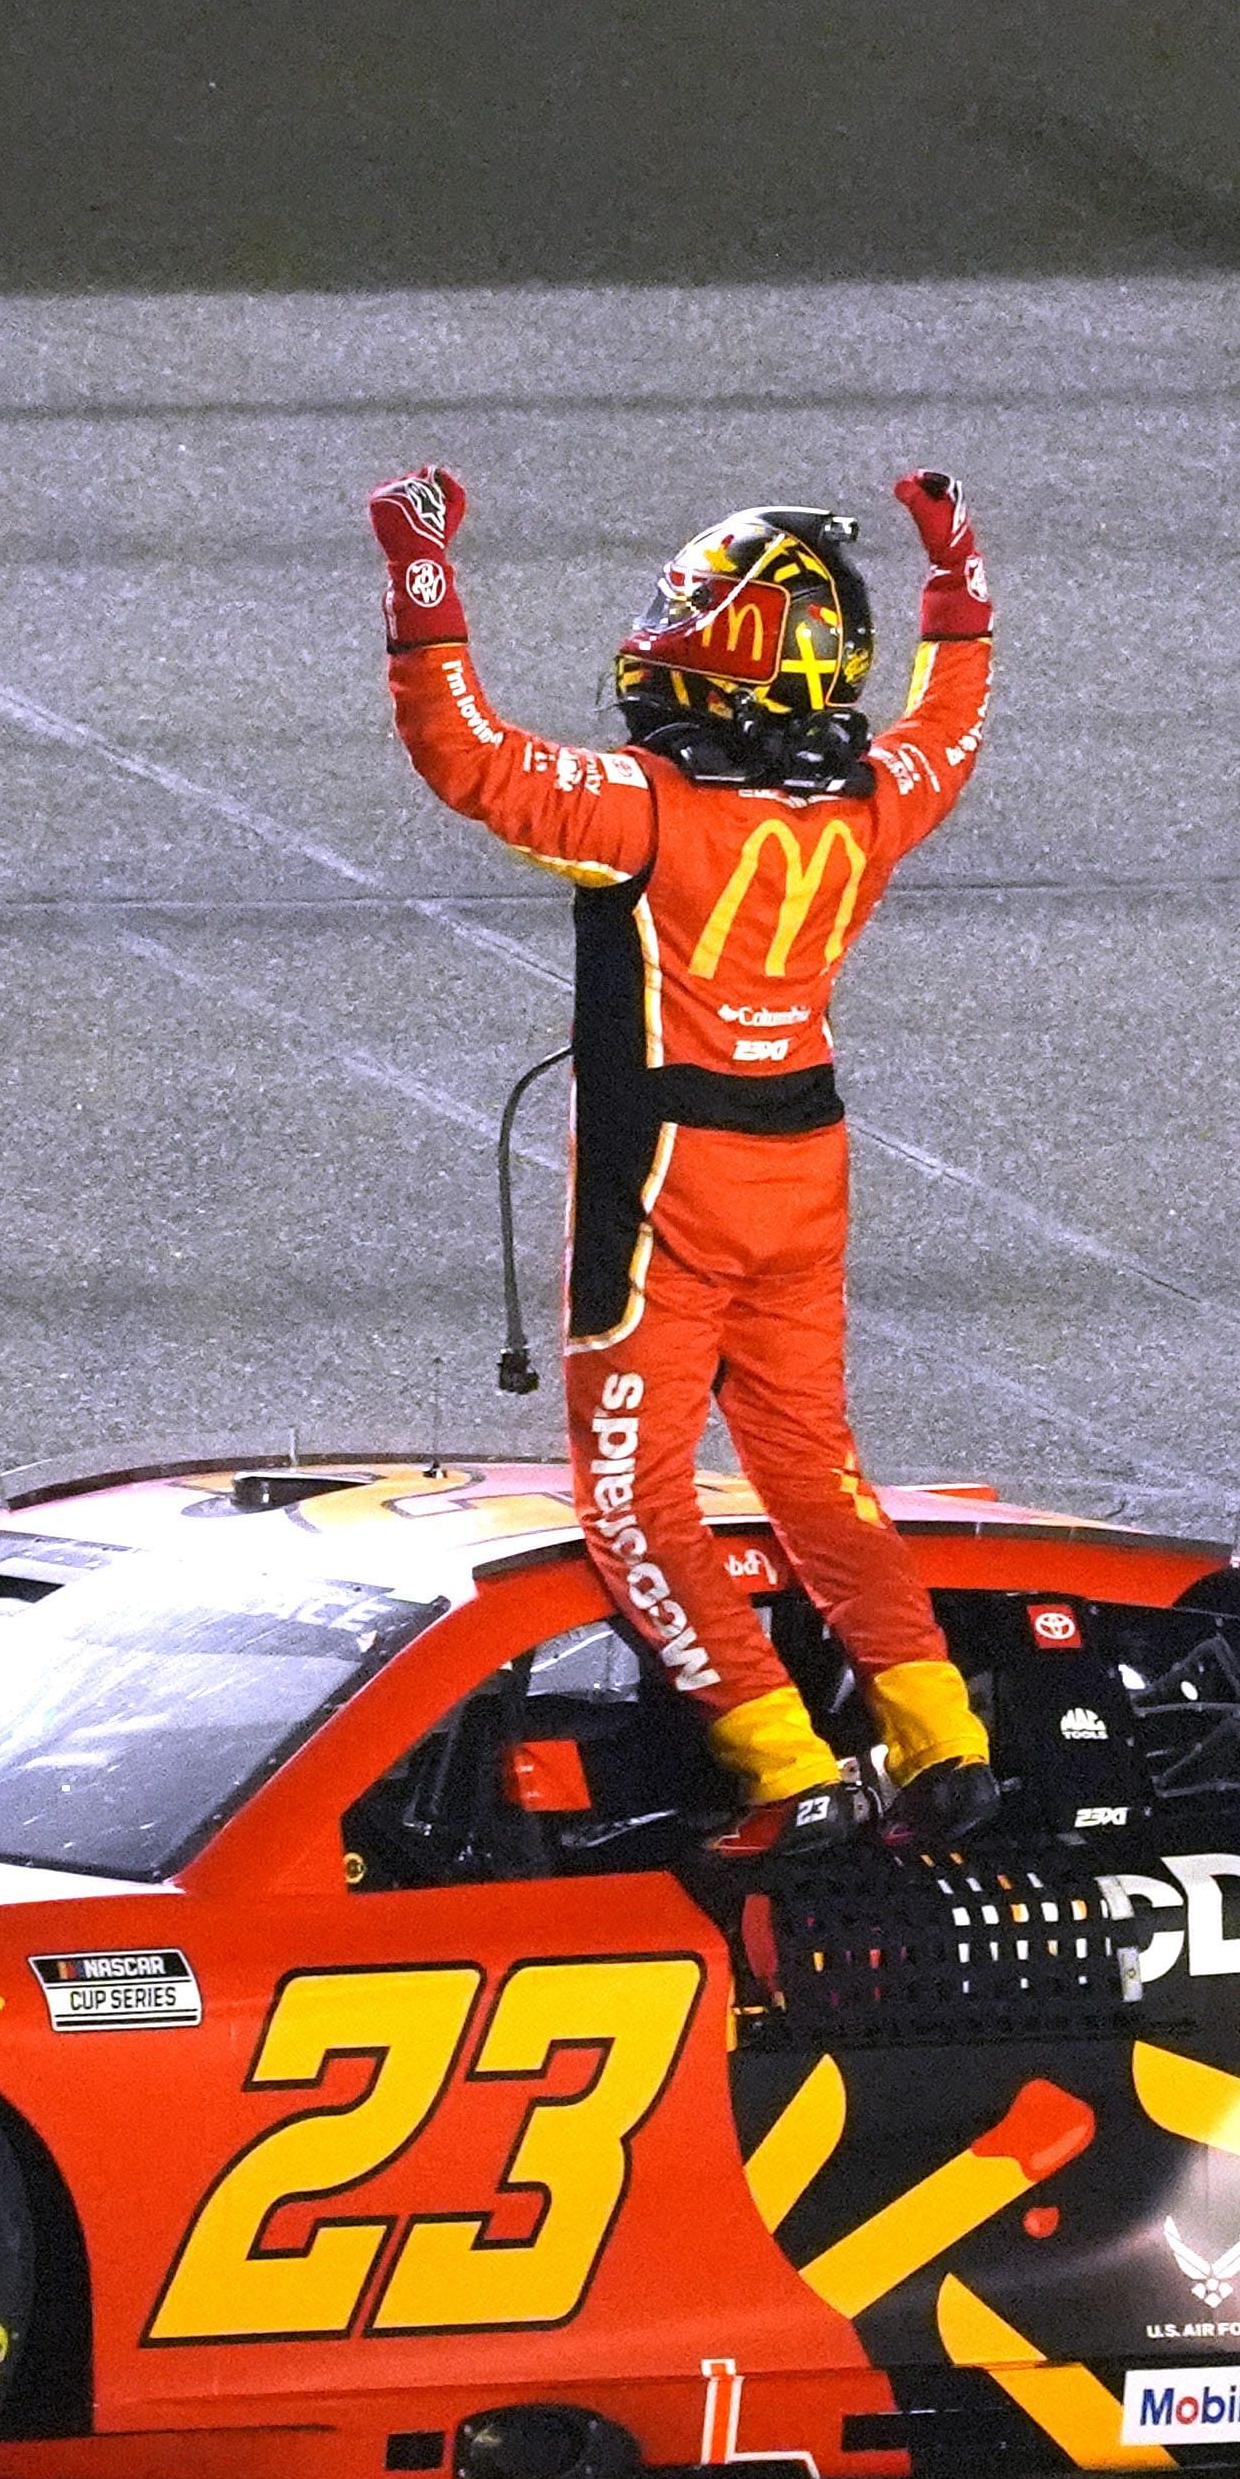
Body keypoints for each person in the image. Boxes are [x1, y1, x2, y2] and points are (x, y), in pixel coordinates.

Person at [367, 463, 1001, 1858]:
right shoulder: (873, 800)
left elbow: (463, 754)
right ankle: (938, 1731)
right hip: (809, 1169)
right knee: (813, 1474)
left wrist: (419, 572)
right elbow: (946, 721)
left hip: (668, 1188)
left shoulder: (645, 809)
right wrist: (954, 579)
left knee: (631, 1494)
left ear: (716, 656)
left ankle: (780, 1761)